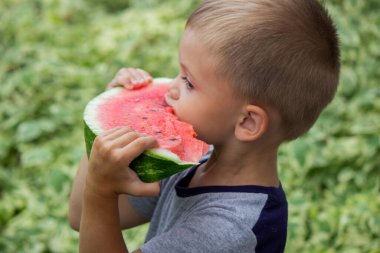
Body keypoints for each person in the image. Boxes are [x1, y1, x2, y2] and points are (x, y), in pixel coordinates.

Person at [68, 0, 340, 252]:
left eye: (189, 82)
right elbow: (80, 216)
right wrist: (104, 130)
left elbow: (92, 207)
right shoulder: (190, 163)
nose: (171, 88)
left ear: (247, 122)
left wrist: (100, 190)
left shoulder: (228, 230)